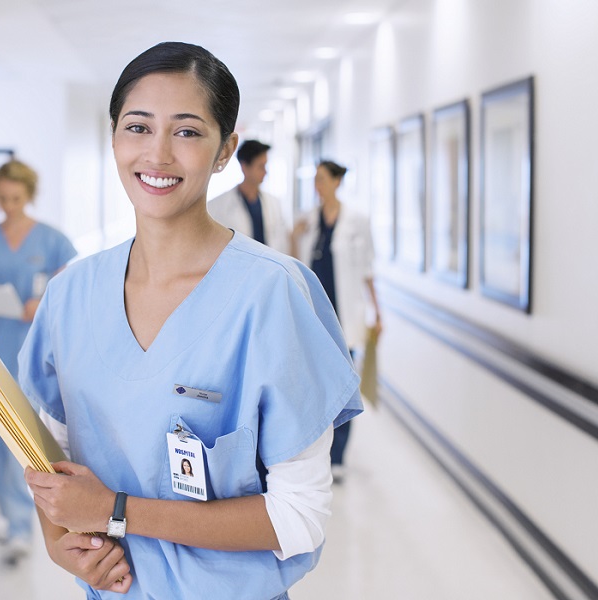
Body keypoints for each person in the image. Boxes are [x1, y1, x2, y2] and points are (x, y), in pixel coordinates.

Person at [19, 42, 362, 599]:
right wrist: (61, 544)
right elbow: (49, 464)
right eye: (137, 127)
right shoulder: (70, 296)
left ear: (225, 149)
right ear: (113, 138)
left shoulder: (273, 294)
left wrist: (117, 512)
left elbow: (299, 517)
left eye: (186, 132)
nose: (156, 155)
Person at [0, 159, 77, 564]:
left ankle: (24, 526)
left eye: (16, 198)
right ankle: (11, 518)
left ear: (29, 196)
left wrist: (39, 304)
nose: (9, 206)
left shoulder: (51, 241)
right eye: (3, 199)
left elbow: (64, 294)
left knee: (25, 443)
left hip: (33, 358)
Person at [291, 160, 382, 483]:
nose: (317, 185)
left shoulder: (357, 221)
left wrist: (377, 312)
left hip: (345, 319)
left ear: (336, 182)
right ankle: (316, 451)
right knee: (315, 388)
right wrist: (294, 235)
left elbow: (368, 270)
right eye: (315, 179)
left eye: (322, 179)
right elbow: (293, 264)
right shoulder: (308, 220)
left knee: (344, 388)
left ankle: (339, 456)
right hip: (314, 317)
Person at [207, 139, 291, 254]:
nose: (265, 172)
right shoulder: (217, 206)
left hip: (270, 267)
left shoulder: (273, 203)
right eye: (261, 166)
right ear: (244, 167)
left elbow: (282, 240)